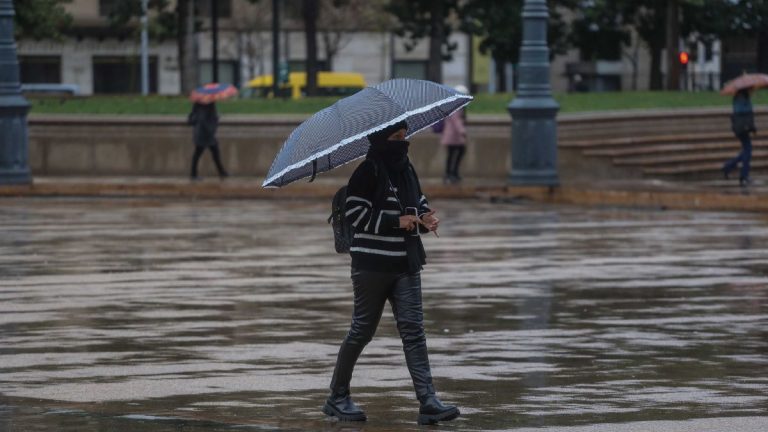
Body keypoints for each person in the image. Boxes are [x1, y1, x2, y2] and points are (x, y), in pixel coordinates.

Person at [323, 121, 460, 425]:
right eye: (396, 137)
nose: (403, 142)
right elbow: (355, 214)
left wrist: (424, 217)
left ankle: (428, 401)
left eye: (404, 136)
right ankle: (337, 397)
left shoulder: (406, 169)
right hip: (372, 266)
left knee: (414, 332)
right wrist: (396, 222)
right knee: (362, 331)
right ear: (381, 140)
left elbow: (416, 201)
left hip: (406, 263)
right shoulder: (367, 171)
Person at [722, 88, 757, 186]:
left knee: (747, 150)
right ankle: (744, 175)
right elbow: (744, 114)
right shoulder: (741, 98)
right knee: (748, 150)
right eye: (751, 89)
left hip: (742, 127)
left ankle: (728, 167)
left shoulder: (743, 97)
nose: (753, 90)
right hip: (742, 128)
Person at [187, 102, 228, 180]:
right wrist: (213, 124)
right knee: (200, 153)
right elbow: (204, 119)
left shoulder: (198, 104)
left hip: (202, 133)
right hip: (205, 134)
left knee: (214, 152)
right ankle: (193, 174)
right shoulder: (208, 104)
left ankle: (221, 172)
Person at [441, 85, 469, 184]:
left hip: (454, 136)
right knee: (454, 154)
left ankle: (452, 173)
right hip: (453, 136)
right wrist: (463, 131)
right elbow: (456, 120)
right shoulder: (455, 105)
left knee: (454, 154)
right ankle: (450, 174)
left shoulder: (454, 104)